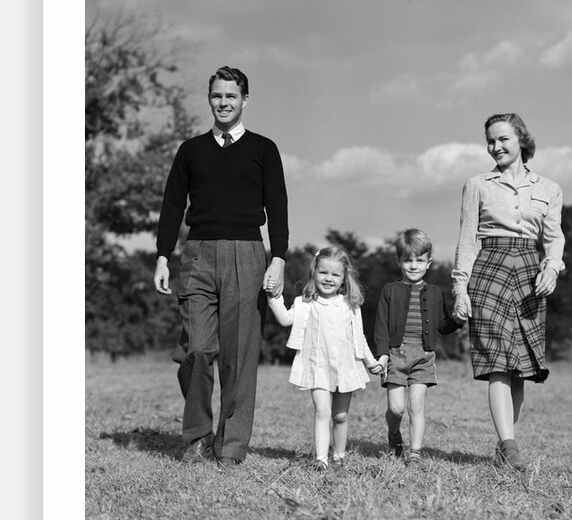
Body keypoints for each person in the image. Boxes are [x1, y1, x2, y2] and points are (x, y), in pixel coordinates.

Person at [153, 65, 288, 468]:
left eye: (231, 96)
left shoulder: (264, 149)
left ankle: (230, 446)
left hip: (247, 254)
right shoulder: (191, 150)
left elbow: (278, 206)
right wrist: (163, 255)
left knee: (239, 355)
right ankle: (196, 435)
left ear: (244, 100)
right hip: (197, 254)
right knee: (195, 349)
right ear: (209, 99)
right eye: (216, 96)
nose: (223, 102)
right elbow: (172, 205)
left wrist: (277, 257)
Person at [451, 113, 565, 470]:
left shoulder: (550, 188)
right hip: (489, 271)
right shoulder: (477, 184)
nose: (495, 147)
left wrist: (552, 267)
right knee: (497, 361)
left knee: (520, 364)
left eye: (503, 139)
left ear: (521, 141)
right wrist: (460, 287)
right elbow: (467, 240)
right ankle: (510, 446)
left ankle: (505, 446)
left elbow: (554, 238)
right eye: (490, 141)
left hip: (531, 273)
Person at [267, 246, 383, 470]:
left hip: (345, 367)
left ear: (344, 278)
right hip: (317, 366)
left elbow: (359, 337)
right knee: (322, 411)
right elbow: (284, 319)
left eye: (335, 274)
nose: (328, 279)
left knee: (340, 416)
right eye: (323, 272)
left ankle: (339, 456)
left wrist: (371, 362)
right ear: (314, 272)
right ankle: (321, 459)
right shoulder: (305, 302)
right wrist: (273, 296)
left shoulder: (350, 305)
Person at [374, 229, 461, 465]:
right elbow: (381, 326)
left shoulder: (434, 293)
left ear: (428, 263)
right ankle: (394, 434)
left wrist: (459, 319)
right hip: (395, 354)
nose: (414, 266)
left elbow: (442, 325)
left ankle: (414, 453)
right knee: (396, 408)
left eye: (419, 260)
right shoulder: (389, 291)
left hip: (423, 356)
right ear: (399, 262)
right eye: (408, 260)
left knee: (416, 406)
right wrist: (382, 356)